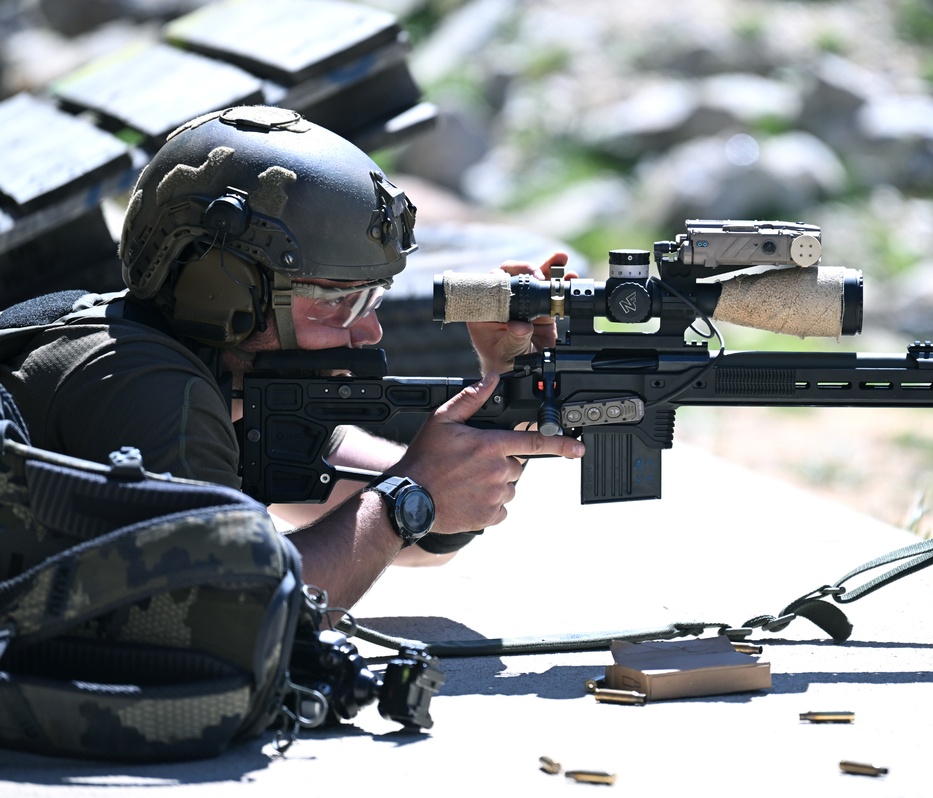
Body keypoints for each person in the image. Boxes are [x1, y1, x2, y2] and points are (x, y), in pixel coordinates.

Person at [0, 105, 584, 609]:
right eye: (339, 302)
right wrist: (409, 495)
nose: (370, 333)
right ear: (224, 289)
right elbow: (231, 613)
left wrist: (509, 387)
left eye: (372, 299)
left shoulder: (235, 383)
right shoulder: (138, 381)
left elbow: (422, 537)